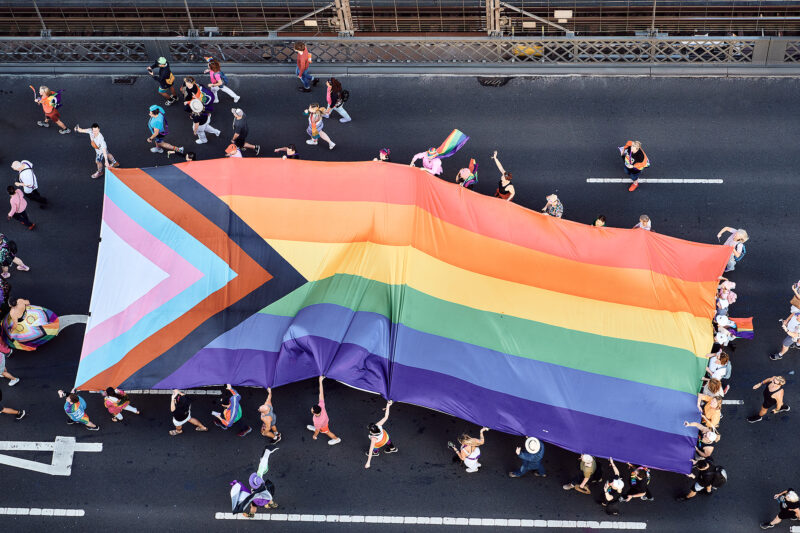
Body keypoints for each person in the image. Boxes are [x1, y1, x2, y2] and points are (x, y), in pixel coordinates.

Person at [306, 376, 341, 445]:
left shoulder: (317, 421)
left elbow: (317, 430)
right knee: (317, 427)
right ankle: (315, 427)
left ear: (314, 413)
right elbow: (321, 393)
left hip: (323, 426)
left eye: (312, 409)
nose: (311, 409)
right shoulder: (321, 405)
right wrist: (320, 381)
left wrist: (315, 435)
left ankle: (336, 439)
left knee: (327, 432)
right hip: (323, 421)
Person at [364, 400, 397, 469]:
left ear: (372, 432)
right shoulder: (378, 425)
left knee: (375, 448)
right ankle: (393, 448)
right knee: (388, 441)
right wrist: (388, 406)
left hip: (379, 443)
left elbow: (370, 449)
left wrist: (368, 462)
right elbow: (386, 417)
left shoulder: (373, 438)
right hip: (385, 437)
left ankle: (376, 453)